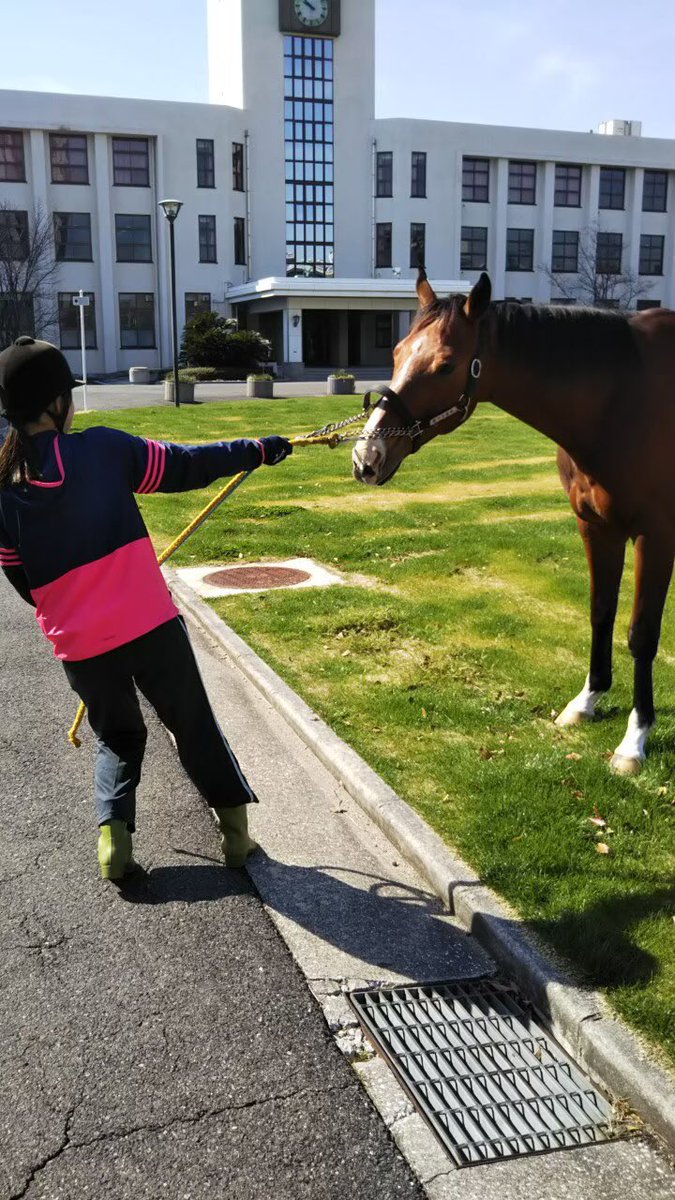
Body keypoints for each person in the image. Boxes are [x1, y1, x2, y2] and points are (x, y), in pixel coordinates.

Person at [0, 336, 293, 880]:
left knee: (118, 737)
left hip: (81, 648)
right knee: (193, 725)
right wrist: (256, 448)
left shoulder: (4, 492)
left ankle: (114, 842)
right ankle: (235, 841)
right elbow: (184, 465)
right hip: (151, 627)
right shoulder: (106, 450)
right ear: (57, 403)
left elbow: (19, 577)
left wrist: (67, 611)